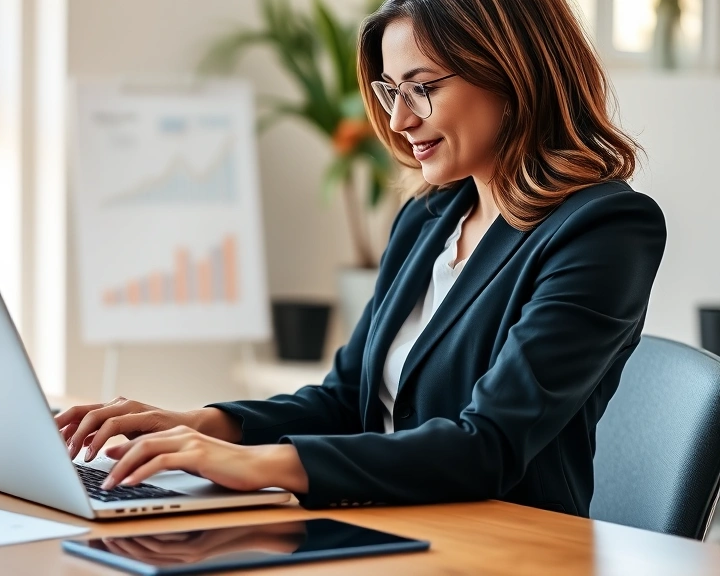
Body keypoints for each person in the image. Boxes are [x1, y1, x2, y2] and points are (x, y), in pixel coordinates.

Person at [55, 0, 667, 517]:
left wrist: (255, 464)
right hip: (391, 526)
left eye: (422, 89)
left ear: (513, 73)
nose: (400, 120)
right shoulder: (428, 219)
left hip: (503, 548)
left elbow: (488, 446)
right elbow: (349, 400)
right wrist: (200, 423)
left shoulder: (604, 229)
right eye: (390, 91)